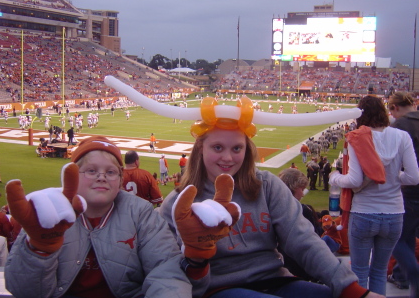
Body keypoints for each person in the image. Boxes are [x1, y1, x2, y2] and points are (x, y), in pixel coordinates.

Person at [159, 96, 384, 298]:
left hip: (275, 279)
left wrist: (349, 288)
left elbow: (303, 240)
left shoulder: (266, 185)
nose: (227, 157)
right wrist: (197, 259)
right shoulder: (179, 204)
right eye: (217, 147)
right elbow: (174, 277)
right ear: (200, 149)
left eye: (237, 148)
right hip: (220, 288)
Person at [4, 135, 191, 298]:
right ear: (72, 176)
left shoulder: (140, 212)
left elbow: (166, 271)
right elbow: (25, 292)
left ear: (120, 181)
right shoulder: (49, 213)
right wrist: (40, 250)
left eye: (111, 172)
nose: (101, 177)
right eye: (91, 171)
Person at [330, 95, 419, 295]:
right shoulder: (401, 136)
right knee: (379, 272)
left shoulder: (357, 137)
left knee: (359, 272)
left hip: (365, 213)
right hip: (394, 213)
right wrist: (393, 176)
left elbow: (354, 181)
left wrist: (334, 178)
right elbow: (414, 177)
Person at [387, 91, 419, 297]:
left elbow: (390, 161)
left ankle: (413, 274)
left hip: (410, 188)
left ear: (394, 108)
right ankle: (401, 275)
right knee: (408, 234)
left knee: (394, 237)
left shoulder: (400, 126)